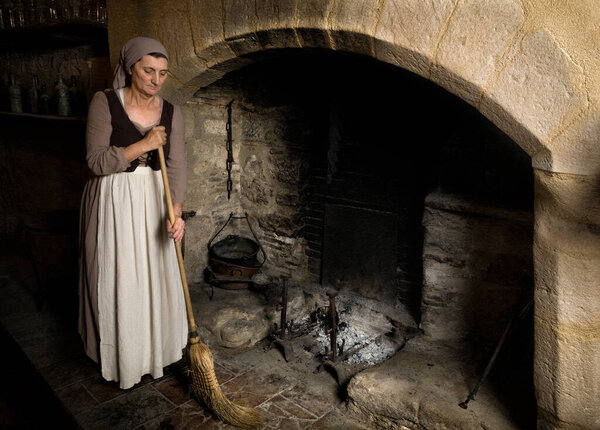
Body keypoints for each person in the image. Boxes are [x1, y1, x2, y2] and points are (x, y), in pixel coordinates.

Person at [78, 37, 188, 389]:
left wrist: (177, 212)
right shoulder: (105, 102)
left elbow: (177, 166)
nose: (156, 80)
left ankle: (156, 352)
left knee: (155, 273)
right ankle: (125, 356)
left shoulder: (172, 112)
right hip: (115, 199)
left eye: (163, 73)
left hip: (155, 198)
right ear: (130, 69)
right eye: (148, 71)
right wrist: (142, 145)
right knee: (121, 275)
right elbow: (95, 162)